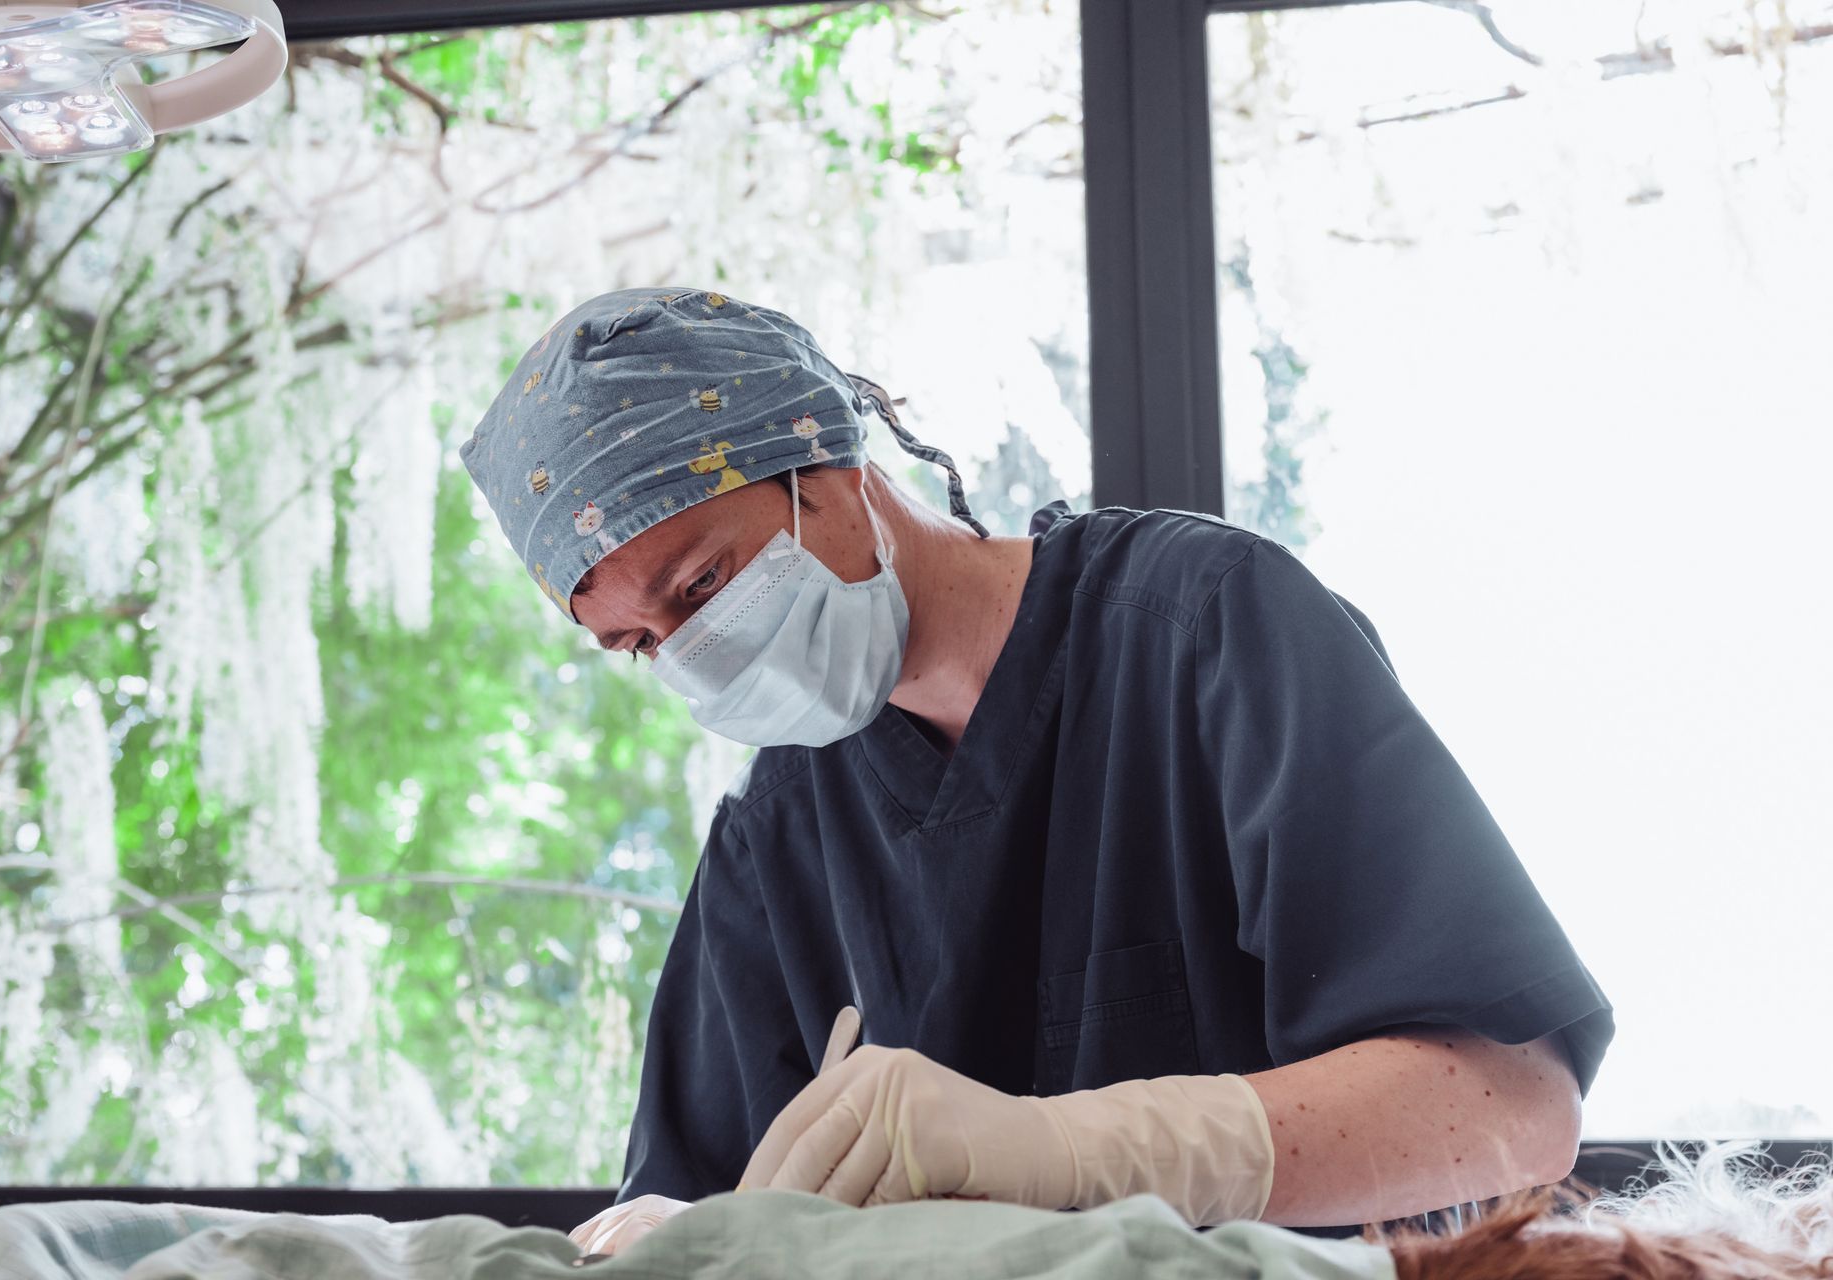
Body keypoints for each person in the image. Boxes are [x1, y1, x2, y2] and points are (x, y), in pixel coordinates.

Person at [456, 286, 1616, 1255]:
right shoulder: (781, 837)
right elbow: (691, 1215)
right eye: (640, 641)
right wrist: (657, 1231)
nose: (693, 649)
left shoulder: (1198, 630)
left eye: (703, 584)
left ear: (823, 457)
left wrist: (1067, 1153)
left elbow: (1513, 1105)